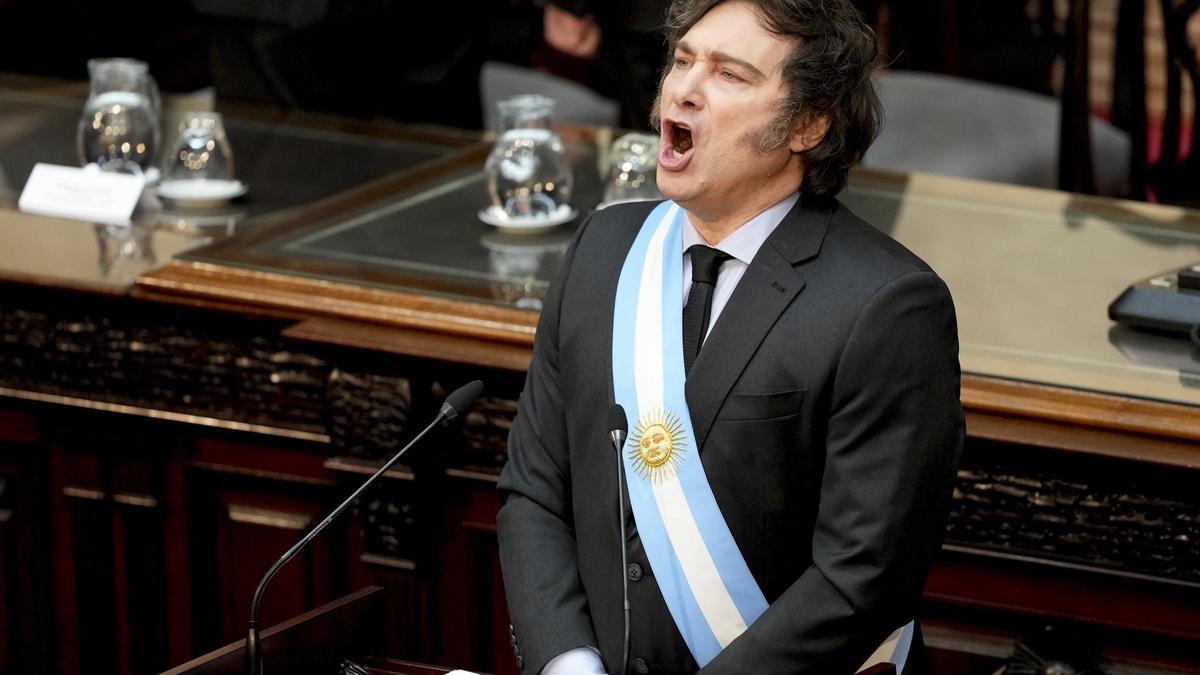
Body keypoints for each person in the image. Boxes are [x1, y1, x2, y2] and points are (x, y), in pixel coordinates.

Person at [497, 0, 963, 673]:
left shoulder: (888, 307)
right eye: (682, 60)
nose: (682, 88)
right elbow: (535, 488)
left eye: (730, 75)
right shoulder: (602, 249)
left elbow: (862, 577)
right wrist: (569, 664)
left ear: (807, 123)